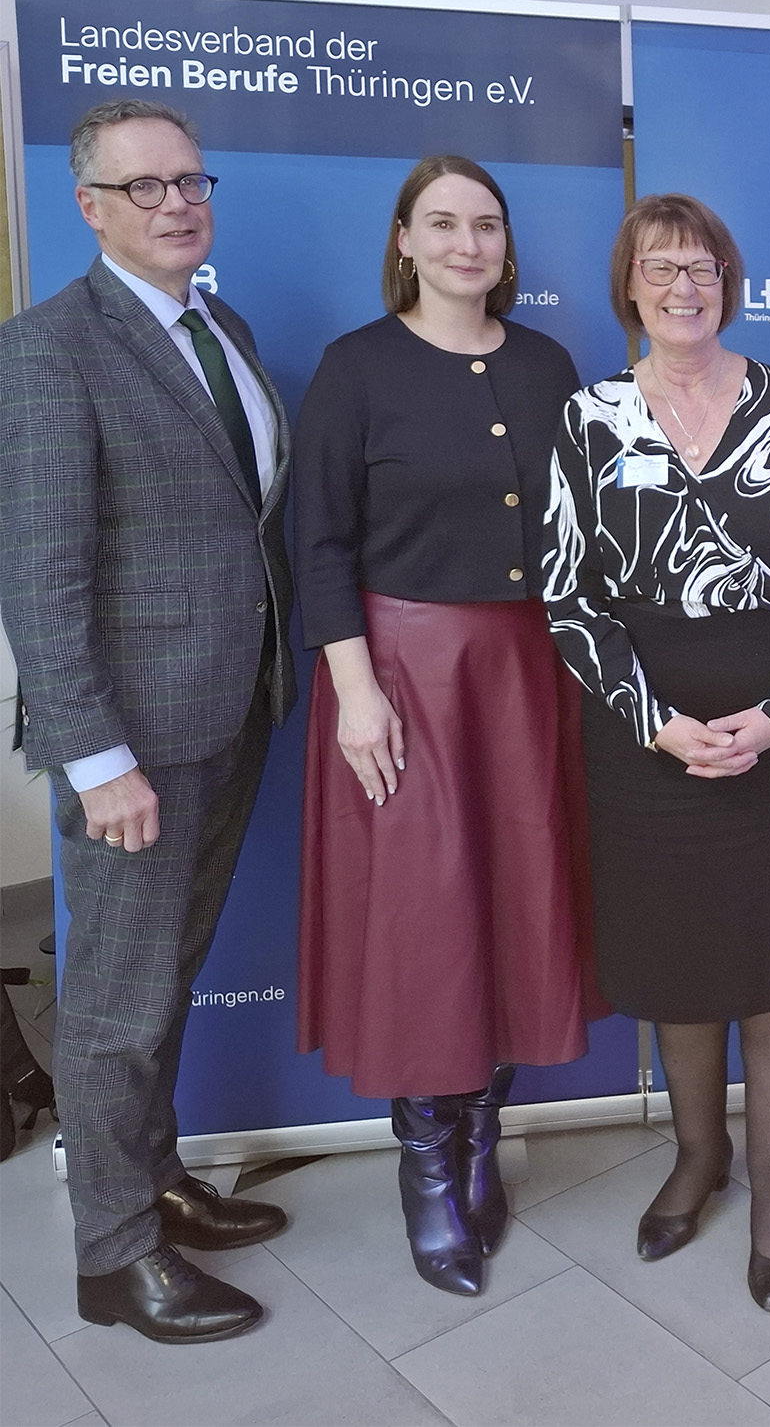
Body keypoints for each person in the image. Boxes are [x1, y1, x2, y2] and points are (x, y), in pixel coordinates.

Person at [0, 99, 295, 1341]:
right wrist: (95, 754)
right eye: (144, 187)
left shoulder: (214, 323)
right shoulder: (49, 348)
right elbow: (41, 572)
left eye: (190, 181)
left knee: (166, 976)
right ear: (90, 207)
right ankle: (114, 1256)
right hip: (132, 743)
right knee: (117, 1001)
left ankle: (157, 1180)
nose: (177, 203)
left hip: (228, 713)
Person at [542, 193, 770, 1311]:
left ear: (730, 284)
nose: (684, 288)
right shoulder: (589, 417)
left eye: (704, 269)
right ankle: (698, 1157)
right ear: (628, 284)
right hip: (647, 744)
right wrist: (655, 720)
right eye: (660, 268)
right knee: (679, 972)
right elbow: (570, 596)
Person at [294, 155, 600, 1299]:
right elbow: (317, 543)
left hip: (528, 672)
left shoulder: (548, 364)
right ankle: (428, 1164)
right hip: (403, 675)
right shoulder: (356, 369)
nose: (467, 243)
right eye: (443, 224)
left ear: (506, 247)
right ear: (405, 241)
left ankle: (482, 1139)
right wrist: (356, 687)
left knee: (517, 901)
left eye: (485, 225)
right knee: (428, 919)